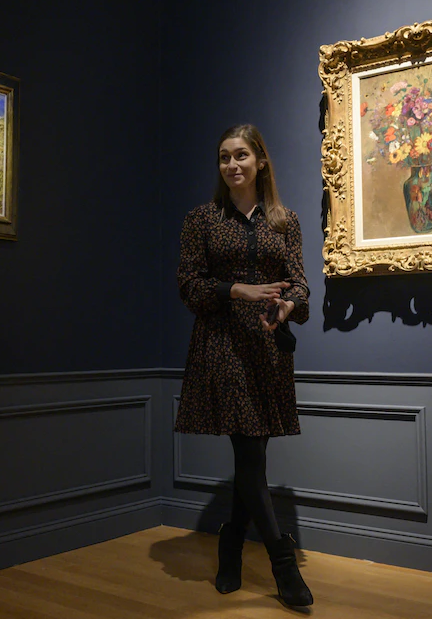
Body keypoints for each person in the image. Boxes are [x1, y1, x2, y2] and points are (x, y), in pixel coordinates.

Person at [175, 123, 313, 607]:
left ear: (260, 161)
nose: (231, 165)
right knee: (250, 452)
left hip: (269, 350)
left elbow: (300, 284)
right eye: (224, 157)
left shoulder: (285, 221)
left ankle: (231, 542)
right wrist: (239, 290)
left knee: (251, 457)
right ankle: (282, 563)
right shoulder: (202, 219)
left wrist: (287, 305)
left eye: (240, 155)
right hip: (222, 347)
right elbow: (189, 286)